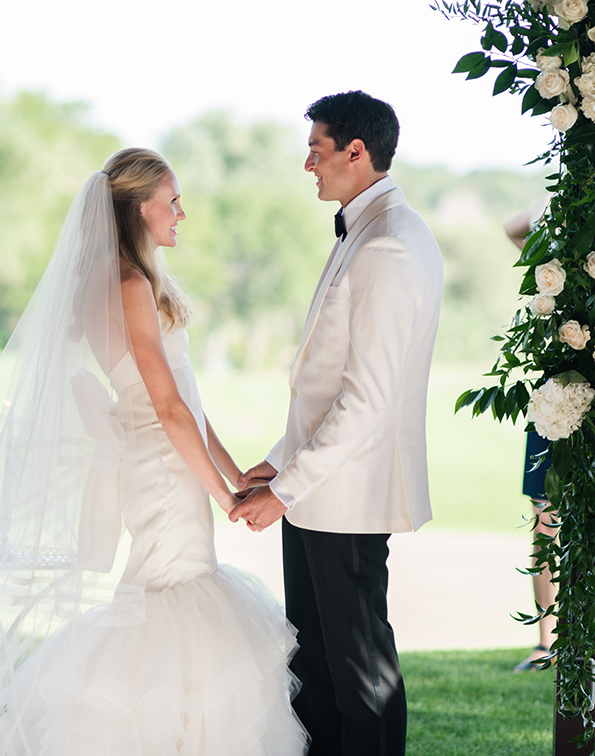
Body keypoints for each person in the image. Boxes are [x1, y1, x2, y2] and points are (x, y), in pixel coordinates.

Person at [0, 149, 308, 756]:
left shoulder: (121, 277)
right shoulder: (126, 282)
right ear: (140, 207)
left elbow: (184, 400)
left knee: (173, 596)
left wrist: (232, 470)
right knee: (174, 599)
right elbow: (167, 407)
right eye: (172, 200)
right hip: (165, 472)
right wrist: (225, 497)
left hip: (171, 460)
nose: (182, 213)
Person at [231, 91, 443, 756]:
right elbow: (327, 385)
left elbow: (367, 399)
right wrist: (280, 459)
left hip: (346, 499)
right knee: (315, 671)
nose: (307, 165)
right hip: (319, 493)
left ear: (357, 152)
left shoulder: (389, 245)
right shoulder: (368, 229)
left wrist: (286, 488)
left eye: (316, 151)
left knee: (360, 676)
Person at [505, 207, 557, 673]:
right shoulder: (557, 259)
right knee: (544, 522)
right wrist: (557, 212)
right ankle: (546, 642)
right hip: (554, 403)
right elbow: (512, 227)